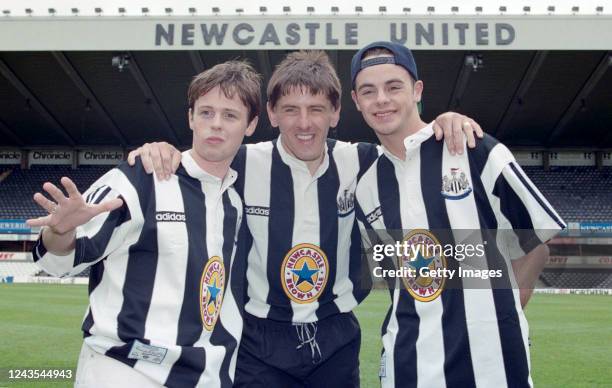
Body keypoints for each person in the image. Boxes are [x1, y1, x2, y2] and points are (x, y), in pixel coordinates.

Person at [129, 50, 483, 387]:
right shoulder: (242, 162)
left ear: (336, 112)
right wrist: (161, 150)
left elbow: (411, 148)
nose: (303, 123)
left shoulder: (362, 162)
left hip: (336, 336)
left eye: (316, 109)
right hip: (259, 338)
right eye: (290, 109)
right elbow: (195, 160)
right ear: (271, 113)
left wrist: (447, 121)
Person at [26, 60, 261, 388]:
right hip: (125, 370)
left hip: (207, 376)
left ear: (251, 125)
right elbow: (58, 262)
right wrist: (60, 231)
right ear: (190, 117)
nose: (216, 124)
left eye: (231, 115)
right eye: (206, 112)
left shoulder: (235, 201)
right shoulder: (141, 177)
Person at [351, 41, 566, 387]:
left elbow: (537, 243)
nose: (381, 100)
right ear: (356, 101)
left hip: (492, 366)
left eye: (394, 87)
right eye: (368, 91)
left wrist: (501, 313)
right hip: (409, 364)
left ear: (417, 90)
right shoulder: (364, 183)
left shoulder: (473, 147)